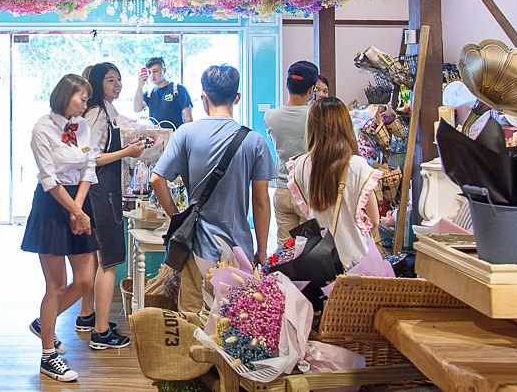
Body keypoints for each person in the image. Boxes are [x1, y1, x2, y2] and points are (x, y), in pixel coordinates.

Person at [150, 65, 274, 314]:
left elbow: (156, 180)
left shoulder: (185, 133)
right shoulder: (254, 141)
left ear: (203, 97)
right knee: (233, 326)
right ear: (236, 98)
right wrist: (262, 249)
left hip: (196, 249)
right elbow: (260, 201)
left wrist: (177, 216)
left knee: (193, 321)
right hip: (239, 251)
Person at [20, 74, 99, 382]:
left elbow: (88, 167)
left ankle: (45, 322)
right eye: (82, 98)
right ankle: (48, 356)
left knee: (84, 281)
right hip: (52, 207)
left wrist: (79, 210)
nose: (85, 103)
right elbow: (49, 178)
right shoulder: (42, 128)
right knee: (56, 285)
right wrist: (75, 211)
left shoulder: (82, 126)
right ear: (66, 97)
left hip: (78, 203)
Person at [77, 62, 145, 350]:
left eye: (119, 79)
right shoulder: (97, 114)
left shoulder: (107, 111)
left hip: (102, 192)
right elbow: (90, 159)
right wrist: (128, 152)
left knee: (95, 258)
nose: (117, 85)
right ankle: (101, 333)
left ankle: (87, 317)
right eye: (110, 80)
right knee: (110, 261)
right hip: (101, 193)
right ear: (97, 83)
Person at [287, 97, 383, 269]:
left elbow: (309, 211)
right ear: (345, 125)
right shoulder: (356, 165)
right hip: (355, 260)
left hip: (320, 262)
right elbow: (374, 220)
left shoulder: (299, 165)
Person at [265, 60, 318, 241]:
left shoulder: (271, 116)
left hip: (282, 188)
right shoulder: (317, 116)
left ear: (287, 85)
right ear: (311, 90)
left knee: (284, 249)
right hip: (308, 189)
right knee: (308, 249)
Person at [133, 56, 193, 129]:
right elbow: (137, 109)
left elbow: (188, 119)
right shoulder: (149, 93)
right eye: (149, 72)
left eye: (155, 71)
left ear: (164, 70)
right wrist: (140, 86)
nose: (152, 75)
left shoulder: (178, 89)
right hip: (156, 137)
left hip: (175, 136)